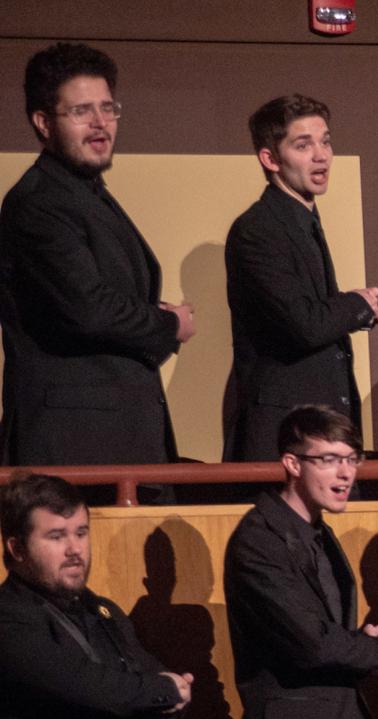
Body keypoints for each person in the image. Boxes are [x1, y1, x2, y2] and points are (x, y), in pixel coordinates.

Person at [0, 43, 192, 474]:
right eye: (81, 111)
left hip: (120, 432)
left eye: (108, 108)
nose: (101, 123)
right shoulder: (39, 202)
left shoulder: (87, 194)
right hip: (74, 441)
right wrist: (169, 325)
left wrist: (151, 316)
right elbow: (88, 308)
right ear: (43, 122)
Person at [224, 405, 378, 719]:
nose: (345, 472)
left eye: (352, 459)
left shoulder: (318, 533)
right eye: (329, 460)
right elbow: (308, 642)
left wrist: (357, 638)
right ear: (292, 463)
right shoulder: (258, 541)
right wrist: (375, 650)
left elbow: (317, 627)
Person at [0, 473, 189, 719]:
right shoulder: (9, 616)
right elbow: (86, 684)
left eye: (81, 533)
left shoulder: (104, 611)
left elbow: (144, 670)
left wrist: (173, 690)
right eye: (56, 536)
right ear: (17, 548)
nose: (75, 549)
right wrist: (163, 689)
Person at [223, 95, 378, 462]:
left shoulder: (302, 219)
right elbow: (302, 323)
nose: (321, 155)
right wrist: (356, 305)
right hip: (287, 437)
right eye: (303, 145)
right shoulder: (258, 229)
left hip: (321, 437)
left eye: (325, 141)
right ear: (270, 158)